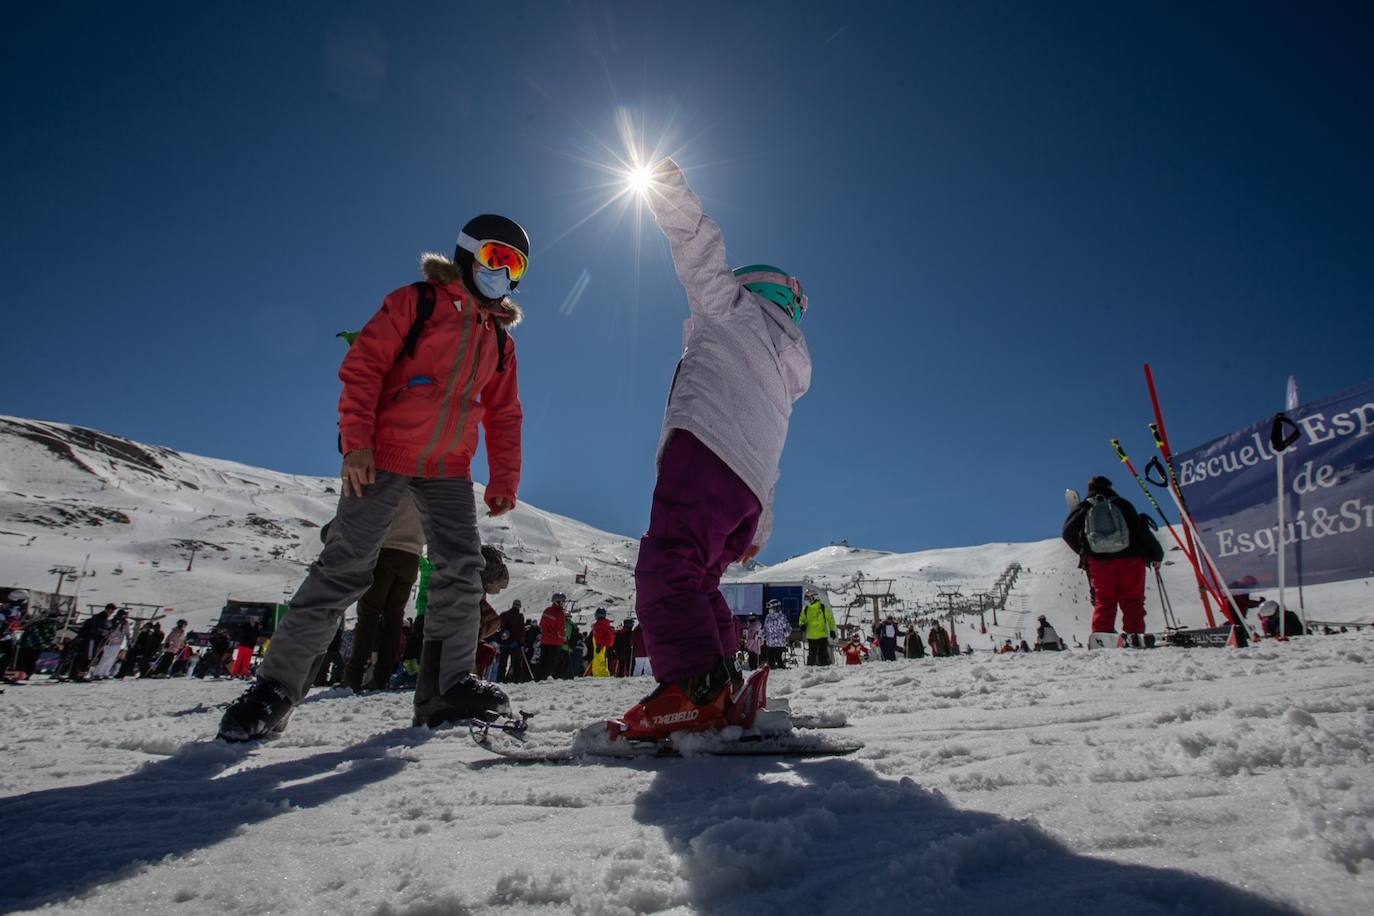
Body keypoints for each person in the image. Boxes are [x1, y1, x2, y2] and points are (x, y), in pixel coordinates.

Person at [218, 214, 529, 742]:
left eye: (515, 265)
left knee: (461, 570)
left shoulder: (498, 341)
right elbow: (364, 366)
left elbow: (504, 414)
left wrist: (505, 477)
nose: (504, 273)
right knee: (346, 565)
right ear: (467, 254)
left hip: (449, 465)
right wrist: (356, 442)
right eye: (496, 257)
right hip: (384, 452)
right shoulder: (417, 302)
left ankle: (449, 689)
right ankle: (275, 689)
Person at [621, 158, 812, 741]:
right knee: (700, 580)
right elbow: (772, 460)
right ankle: (719, 678)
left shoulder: (729, 310)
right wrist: (760, 526)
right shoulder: (784, 373)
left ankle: (692, 688)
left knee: (667, 565)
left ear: (750, 289)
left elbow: (697, 244)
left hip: (704, 458)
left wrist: (668, 188)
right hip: (745, 494)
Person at [1062, 475, 1163, 645]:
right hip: (1131, 558)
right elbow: (1140, 530)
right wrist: (1156, 554)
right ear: (1110, 486)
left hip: (1099, 561)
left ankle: (1102, 637)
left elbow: (1067, 532)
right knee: (1132, 600)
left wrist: (1084, 552)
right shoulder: (1122, 504)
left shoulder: (1085, 507)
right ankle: (1135, 635)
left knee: (1104, 600)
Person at [340, 492, 424, 692]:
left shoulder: (394, 481)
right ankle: (382, 676)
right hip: (412, 557)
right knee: (394, 618)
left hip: (384, 550)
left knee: (369, 615)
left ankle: (354, 675)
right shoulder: (426, 488)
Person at [798, 590, 837, 667]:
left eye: (808, 599)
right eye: (806, 599)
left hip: (822, 635)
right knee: (811, 656)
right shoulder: (806, 609)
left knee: (823, 655)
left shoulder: (822, 608)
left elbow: (830, 620)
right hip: (811, 636)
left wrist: (832, 630)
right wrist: (802, 625)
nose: (807, 601)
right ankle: (810, 672)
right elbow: (802, 619)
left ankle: (824, 671)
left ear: (813, 598)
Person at [91, 610, 130, 679]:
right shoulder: (113, 621)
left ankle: (105, 672)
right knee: (105, 658)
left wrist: (128, 638)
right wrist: (108, 634)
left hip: (118, 643)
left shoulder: (125, 623)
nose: (124, 617)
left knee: (112, 659)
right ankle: (97, 673)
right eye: (123, 615)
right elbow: (108, 630)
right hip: (110, 642)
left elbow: (127, 632)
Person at [496, 600, 529, 683]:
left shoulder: (503, 614)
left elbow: (498, 627)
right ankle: (516, 680)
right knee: (516, 663)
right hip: (514, 644)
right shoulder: (519, 616)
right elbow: (521, 631)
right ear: (519, 606)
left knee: (502, 664)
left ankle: (500, 680)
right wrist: (521, 642)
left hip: (503, 643)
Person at [536, 594, 567, 681]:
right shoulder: (560, 613)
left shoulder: (547, 610)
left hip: (544, 640)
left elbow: (541, 625)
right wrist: (564, 638)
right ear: (558, 602)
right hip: (555, 642)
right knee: (551, 663)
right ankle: (547, 680)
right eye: (562, 602)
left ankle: (538, 679)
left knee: (542, 662)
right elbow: (561, 629)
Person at [762, 599, 790, 669]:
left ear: (775, 608)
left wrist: (785, 634)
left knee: (778, 659)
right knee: (770, 660)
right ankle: (772, 675)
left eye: (771, 608)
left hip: (779, 643)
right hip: (770, 643)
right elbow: (765, 628)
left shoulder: (782, 617)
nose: (769, 610)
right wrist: (764, 635)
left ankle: (782, 674)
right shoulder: (768, 617)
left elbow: (788, 628)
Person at [590, 608, 615, 677]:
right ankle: (604, 673)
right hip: (605, 644)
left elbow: (598, 635)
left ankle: (598, 674)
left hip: (600, 644)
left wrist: (598, 645)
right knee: (603, 659)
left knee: (597, 659)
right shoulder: (606, 623)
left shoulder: (598, 624)